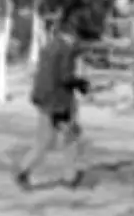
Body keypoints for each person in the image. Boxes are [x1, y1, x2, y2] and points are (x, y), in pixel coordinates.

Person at [19, 10, 91, 191]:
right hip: (59, 100)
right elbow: (66, 76)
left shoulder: (51, 46)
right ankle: (69, 177)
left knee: (48, 139)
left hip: (45, 98)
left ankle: (25, 170)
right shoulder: (66, 49)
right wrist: (80, 83)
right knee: (68, 137)